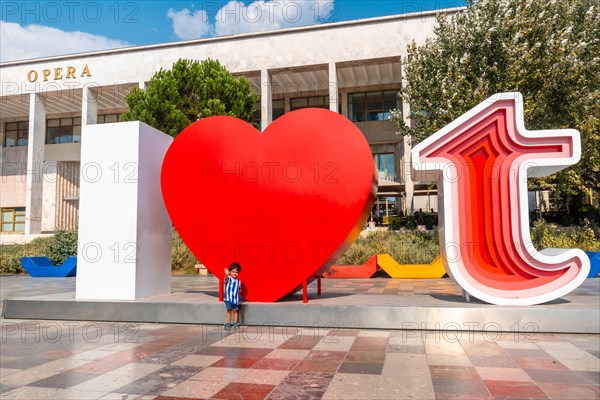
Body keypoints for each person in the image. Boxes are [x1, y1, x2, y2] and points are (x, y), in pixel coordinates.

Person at [223, 262, 242, 330]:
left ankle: (235, 323)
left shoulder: (239, 281)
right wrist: (226, 274)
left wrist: (237, 299)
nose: (235, 273)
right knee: (229, 310)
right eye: (233, 271)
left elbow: (238, 290)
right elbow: (225, 279)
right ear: (230, 272)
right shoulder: (229, 278)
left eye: (236, 272)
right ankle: (228, 323)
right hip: (228, 298)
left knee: (235, 311)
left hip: (235, 299)